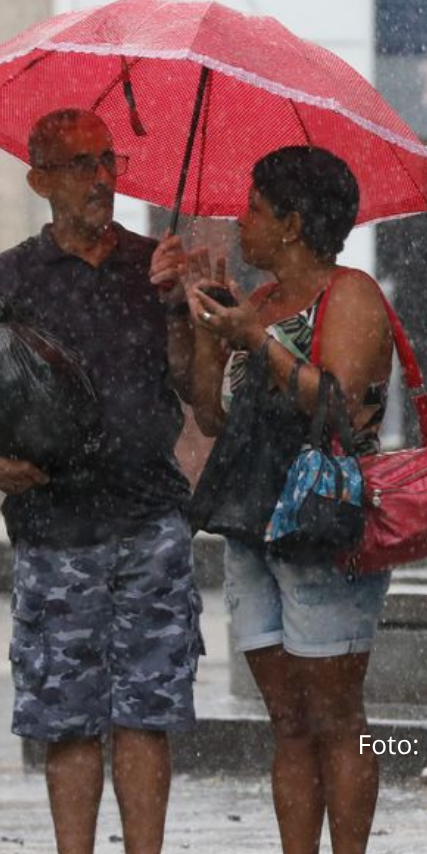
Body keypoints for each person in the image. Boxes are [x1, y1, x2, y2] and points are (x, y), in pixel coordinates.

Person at [1, 109, 200, 854]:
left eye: (109, 160)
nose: (102, 178)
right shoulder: (12, 277)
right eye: (81, 164)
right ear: (39, 179)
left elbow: (197, 394)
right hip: (55, 530)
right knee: (67, 717)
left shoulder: (153, 266)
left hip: (151, 522)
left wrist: (181, 310)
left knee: (147, 713)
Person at [185, 146, 393, 854]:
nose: (241, 222)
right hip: (253, 528)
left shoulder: (352, 294)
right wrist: (214, 334)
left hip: (321, 526)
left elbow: (338, 406)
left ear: (294, 223)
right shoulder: (264, 302)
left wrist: (259, 342)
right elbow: (213, 419)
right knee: (289, 720)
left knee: (336, 715)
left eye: (254, 208)